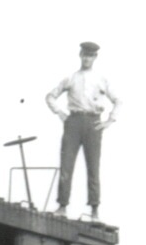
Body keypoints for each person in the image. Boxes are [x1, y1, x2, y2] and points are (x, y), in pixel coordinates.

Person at [46, 40, 119, 220]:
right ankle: (62, 206)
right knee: (66, 165)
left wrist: (109, 121)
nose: (87, 59)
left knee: (93, 167)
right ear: (80, 55)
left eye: (91, 56)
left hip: (93, 124)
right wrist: (60, 113)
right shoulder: (71, 78)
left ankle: (94, 210)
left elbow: (118, 100)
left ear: (95, 58)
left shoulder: (101, 79)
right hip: (74, 122)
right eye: (85, 55)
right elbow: (50, 96)